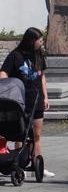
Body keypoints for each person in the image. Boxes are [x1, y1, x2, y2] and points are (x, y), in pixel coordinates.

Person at [0, 27, 54, 178]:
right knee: (21, 133)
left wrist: (46, 96)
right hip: (19, 100)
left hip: (36, 99)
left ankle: (37, 163)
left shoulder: (39, 55)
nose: (41, 43)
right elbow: (3, 72)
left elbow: (42, 76)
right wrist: (5, 86)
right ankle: (19, 163)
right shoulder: (15, 56)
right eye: (40, 40)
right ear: (31, 41)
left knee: (36, 134)